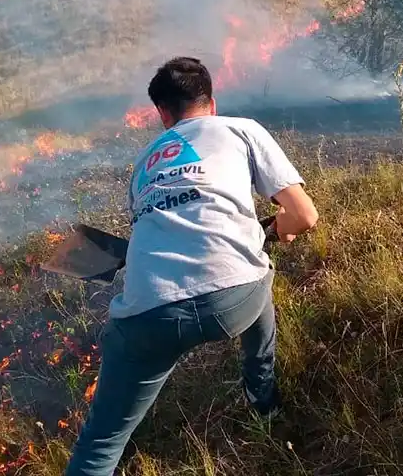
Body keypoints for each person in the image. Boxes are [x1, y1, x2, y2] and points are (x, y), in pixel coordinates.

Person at [65, 56, 319, 476]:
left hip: (150, 315)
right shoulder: (241, 129)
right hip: (235, 302)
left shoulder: (143, 163)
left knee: (100, 444)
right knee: (259, 271)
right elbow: (305, 216)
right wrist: (276, 230)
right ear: (212, 103)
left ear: (163, 114)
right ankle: (263, 397)